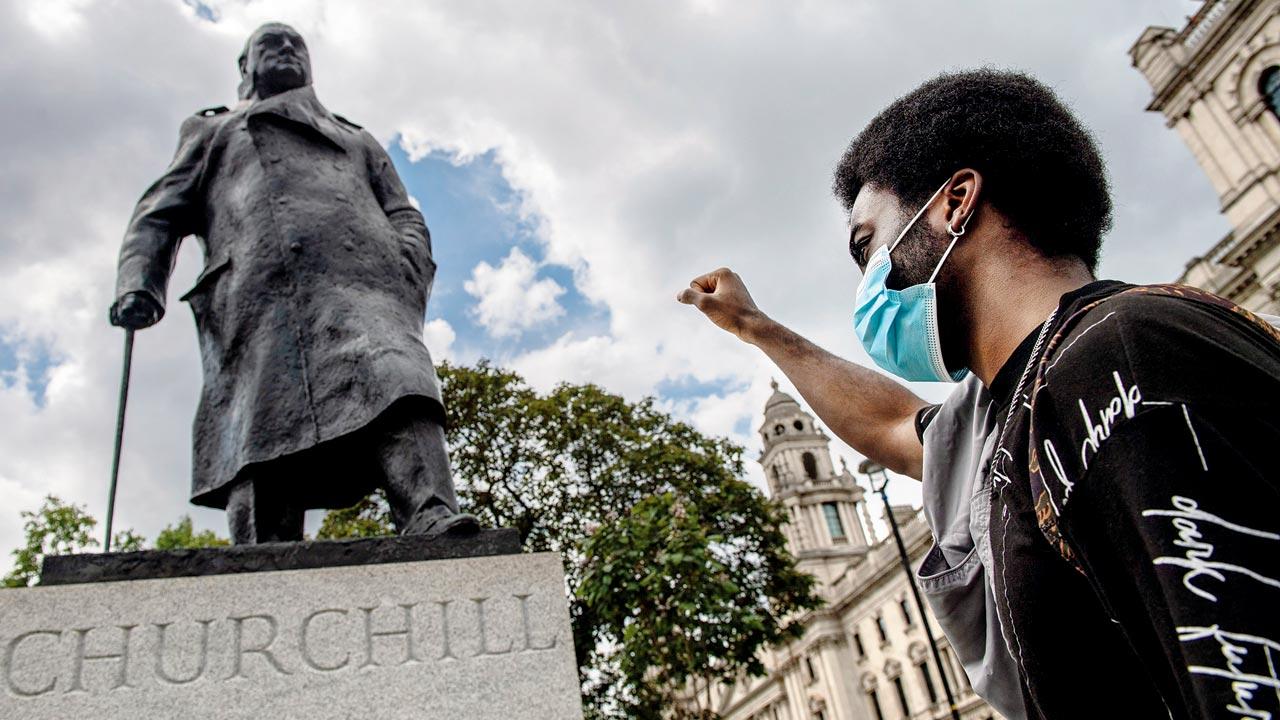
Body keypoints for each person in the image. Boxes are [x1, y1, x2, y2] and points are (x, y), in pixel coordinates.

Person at [679, 69, 1280, 719]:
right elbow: (894, 426)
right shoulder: (1005, 414)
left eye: (867, 248)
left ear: (955, 203)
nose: (868, 285)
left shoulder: (1124, 357)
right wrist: (756, 328)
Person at [110, 23, 477, 543]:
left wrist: (406, 263)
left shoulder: (354, 137)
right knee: (262, 429)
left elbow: (402, 211)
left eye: (295, 44)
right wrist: (139, 282)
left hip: (364, 286)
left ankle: (430, 512)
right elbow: (159, 212)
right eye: (271, 44)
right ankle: (262, 552)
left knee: (400, 374)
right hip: (260, 297)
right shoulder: (213, 130)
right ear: (244, 68)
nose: (286, 50)